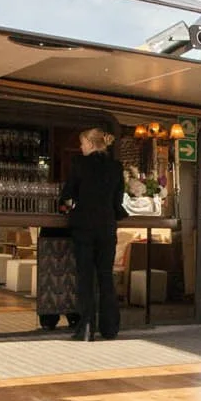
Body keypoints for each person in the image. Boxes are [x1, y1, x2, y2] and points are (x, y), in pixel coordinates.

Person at [57, 126, 124, 341]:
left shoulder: (79, 164)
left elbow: (67, 196)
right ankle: (110, 328)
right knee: (105, 276)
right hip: (107, 226)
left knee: (86, 277)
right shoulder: (116, 167)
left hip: (84, 226)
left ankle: (86, 328)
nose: (80, 147)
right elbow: (117, 202)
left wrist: (65, 208)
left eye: (82, 143)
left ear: (91, 143)